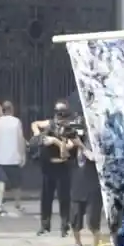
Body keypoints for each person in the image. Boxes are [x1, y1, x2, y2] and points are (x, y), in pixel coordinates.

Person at [30, 101, 77, 237]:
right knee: (46, 197)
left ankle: (64, 226)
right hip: (48, 167)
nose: (60, 118)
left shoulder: (69, 129)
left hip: (63, 166)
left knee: (64, 198)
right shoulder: (50, 124)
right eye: (59, 115)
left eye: (63, 115)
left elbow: (68, 146)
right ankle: (45, 225)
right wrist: (38, 134)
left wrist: (55, 141)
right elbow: (35, 124)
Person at [69, 128, 106, 246]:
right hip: (77, 187)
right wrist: (63, 141)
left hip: (92, 188)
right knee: (74, 219)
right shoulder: (74, 145)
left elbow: (94, 157)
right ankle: (78, 244)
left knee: (92, 221)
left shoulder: (98, 145)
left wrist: (81, 145)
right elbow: (64, 155)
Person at [0, 100, 26, 215]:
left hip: (0, 158)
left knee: (1, 182)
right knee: (16, 183)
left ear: (3, 110)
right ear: (12, 110)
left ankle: (0, 204)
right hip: (14, 157)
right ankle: (18, 204)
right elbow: (20, 139)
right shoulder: (16, 122)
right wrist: (22, 155)